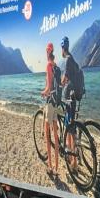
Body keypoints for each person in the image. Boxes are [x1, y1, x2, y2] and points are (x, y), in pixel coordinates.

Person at [39, 42, 61, 177]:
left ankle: (50, 165)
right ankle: (58, 167)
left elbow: (48, 86)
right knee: (56, 136)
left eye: (46, 51)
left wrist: (43, 92)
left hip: (49, 103)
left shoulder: (48, 65)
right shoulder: (56, 65)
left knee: (47, 135)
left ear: (48, 52)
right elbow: (55, 84)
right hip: (56, 103)